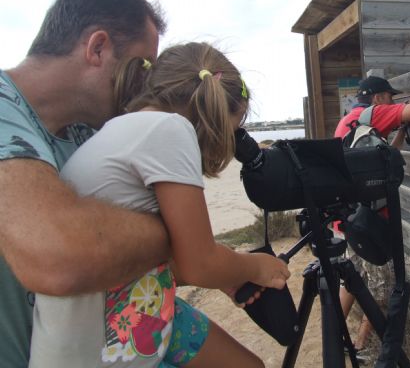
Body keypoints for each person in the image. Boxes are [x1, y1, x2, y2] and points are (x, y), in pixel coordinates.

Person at [28, 42, 291, 368]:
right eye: (231, 133)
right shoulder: (171, 129)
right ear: (210, 118)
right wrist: (255, 267)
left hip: (118, 308)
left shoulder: (123, 127)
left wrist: (227, 274)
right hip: (98, 342)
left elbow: (152, 258)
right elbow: (199, 263)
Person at [0, 0, 174, 367]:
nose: (144, 84)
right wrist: (177, 236)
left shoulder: (85, 133)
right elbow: (60, 257)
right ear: (97, 48)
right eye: (143, 66)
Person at [334, 75, 410, 358]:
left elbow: (385, 157)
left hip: (350, 217)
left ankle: (334, 333)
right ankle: (362, 345)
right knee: (378, 286)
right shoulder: (375, 113)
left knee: (352, 279)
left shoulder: (349, 121)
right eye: (390, 97)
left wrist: (400, 129)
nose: (392, 102)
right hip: (371, 221)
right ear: (377, 98)